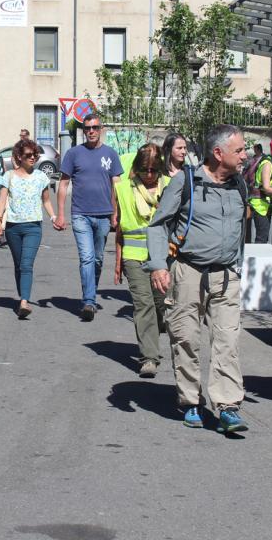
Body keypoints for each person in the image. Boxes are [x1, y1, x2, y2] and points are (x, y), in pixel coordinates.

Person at [146, 124, 249, 434]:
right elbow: (157, 225)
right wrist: (158, 266)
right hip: (187, 272)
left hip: (226, 274)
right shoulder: (185, 181)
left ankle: (228, 406)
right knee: (186, 338)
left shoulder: (239, 184)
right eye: (239, 150)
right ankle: (191, 400)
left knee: (227, 340)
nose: (245, 155)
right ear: (218, 153)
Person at [55, 112, 123, 321]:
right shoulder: (74, 154)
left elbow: (117, 185)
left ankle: (89, 294)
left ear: (101, 129)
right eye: (87, 128)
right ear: (83, 131)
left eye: (94, 127)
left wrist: (117, 213)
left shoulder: (110, 154)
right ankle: (89, 301)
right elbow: (64, 184)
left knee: (98, 259)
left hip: (103, 215)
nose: (91, 131)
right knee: (86, 258)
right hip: (80, 214)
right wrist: (60, 214)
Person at [114, 144, 170, 378]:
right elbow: (119, 229)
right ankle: (149, 357)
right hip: (134, 257)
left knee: (159, 304)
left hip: (163, 259)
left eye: (153, 170)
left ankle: (155, 331)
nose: (149, 175)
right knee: (143, 304)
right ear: (137, 168)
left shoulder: (169, 186)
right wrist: (118, 263)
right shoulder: (123, 189)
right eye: (145, 170)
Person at [0, 139, 60, 318]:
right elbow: (2, 200)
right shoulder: (9, 176)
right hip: (13, 228)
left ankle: (24, 301)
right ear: (19, 157)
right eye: (28, 155)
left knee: (26, 264)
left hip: (33, 227)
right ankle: (22, 296)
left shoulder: (41, 177)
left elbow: (46, 200)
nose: (33, 157)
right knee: (18, 265)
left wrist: (53, 217)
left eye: (35, 154)